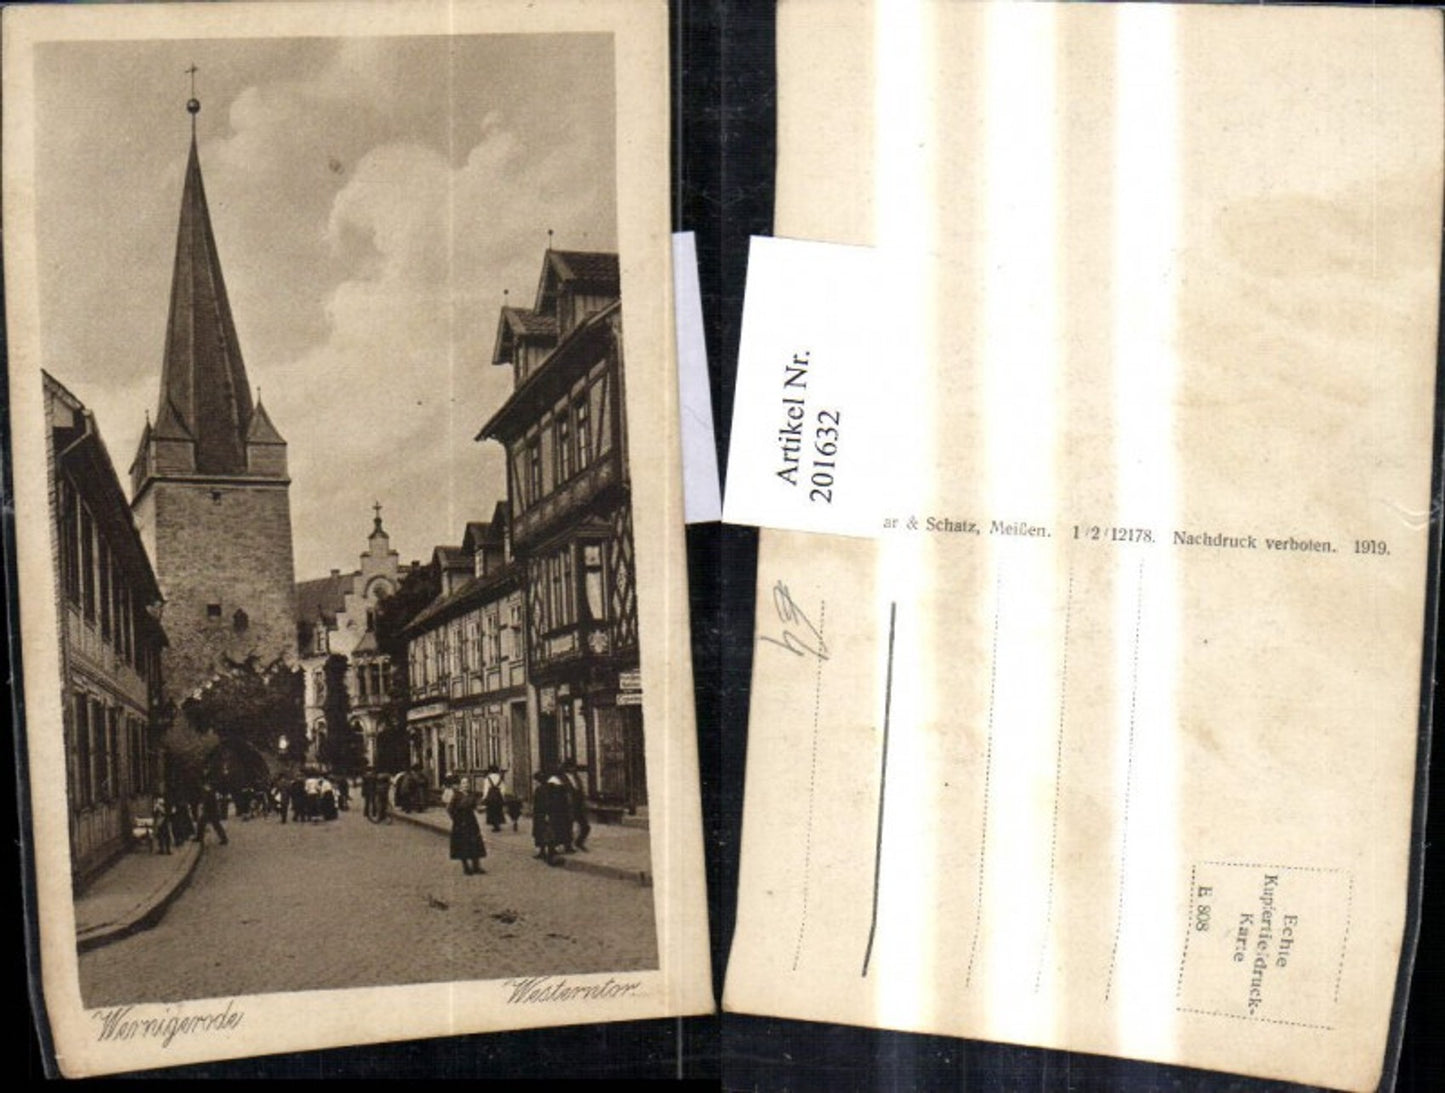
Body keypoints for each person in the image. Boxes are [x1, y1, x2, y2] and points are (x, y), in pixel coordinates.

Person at [447, 776, 486, 875]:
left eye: (467, 783)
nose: (466, 785)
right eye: (464, 783)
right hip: (460, 823)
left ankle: (476, 866)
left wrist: (480, 809)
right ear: (460, 785)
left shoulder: (471, 795)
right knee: (463, 844)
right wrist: (456, 819)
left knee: (475, 843)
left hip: (471, 821)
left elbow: (475, 807)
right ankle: (466, 867)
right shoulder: (456, 796)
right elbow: (450, 809)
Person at [561, 758, 590, 852]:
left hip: (579, 804)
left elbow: (580, 789)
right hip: (568, 805)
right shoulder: (562, 778)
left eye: (574, 767)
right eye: (571, 767)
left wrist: (584, 800)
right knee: (568, 826)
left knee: (585, 826)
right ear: (567, 767)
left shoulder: (576, 777)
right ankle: (567, 846)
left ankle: (579, 842)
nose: (573, 769)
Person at [481, 765, 507, 833]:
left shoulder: (487, 778)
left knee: (491, 810)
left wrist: (484, 797)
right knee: (498, 810)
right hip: (498, 796)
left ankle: (494, 825)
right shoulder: (500, 778)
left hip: (491, 796)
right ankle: (497, 824)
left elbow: (486, 788)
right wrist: (502, 796)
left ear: (490, 771)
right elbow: (503, 788)